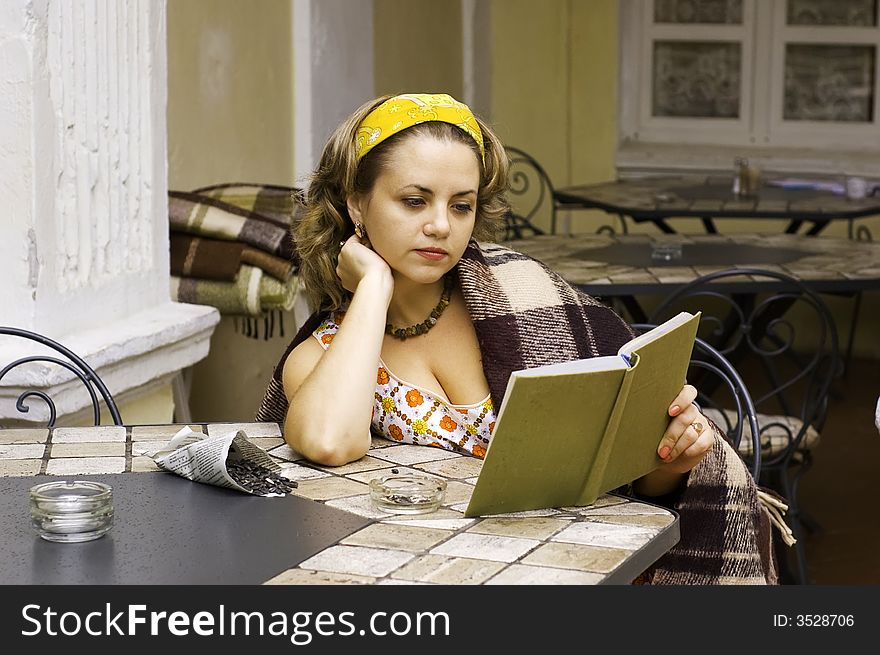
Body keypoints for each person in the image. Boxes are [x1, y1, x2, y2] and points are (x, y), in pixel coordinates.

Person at [257, 92, 779, 584]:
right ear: (356, 206)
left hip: (592, 566)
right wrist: (373, 285)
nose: (440, 225)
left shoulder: (528, 297)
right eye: (414, 201)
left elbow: (629, 485)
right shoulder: (326, 354)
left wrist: (674, 459)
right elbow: (328, 441)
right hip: (442, 576)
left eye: (460, 206)